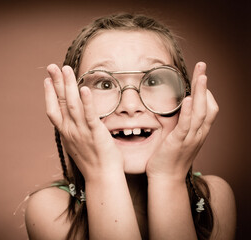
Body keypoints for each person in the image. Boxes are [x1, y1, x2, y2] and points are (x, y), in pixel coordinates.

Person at [25, 13, 236, 240]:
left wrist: (168, 178)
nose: (130, 105)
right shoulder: (51, 210)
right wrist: (101, 173)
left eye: (153, 81)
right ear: (71, 104)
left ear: (185, 98)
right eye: (105, 84)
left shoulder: (214, 198)